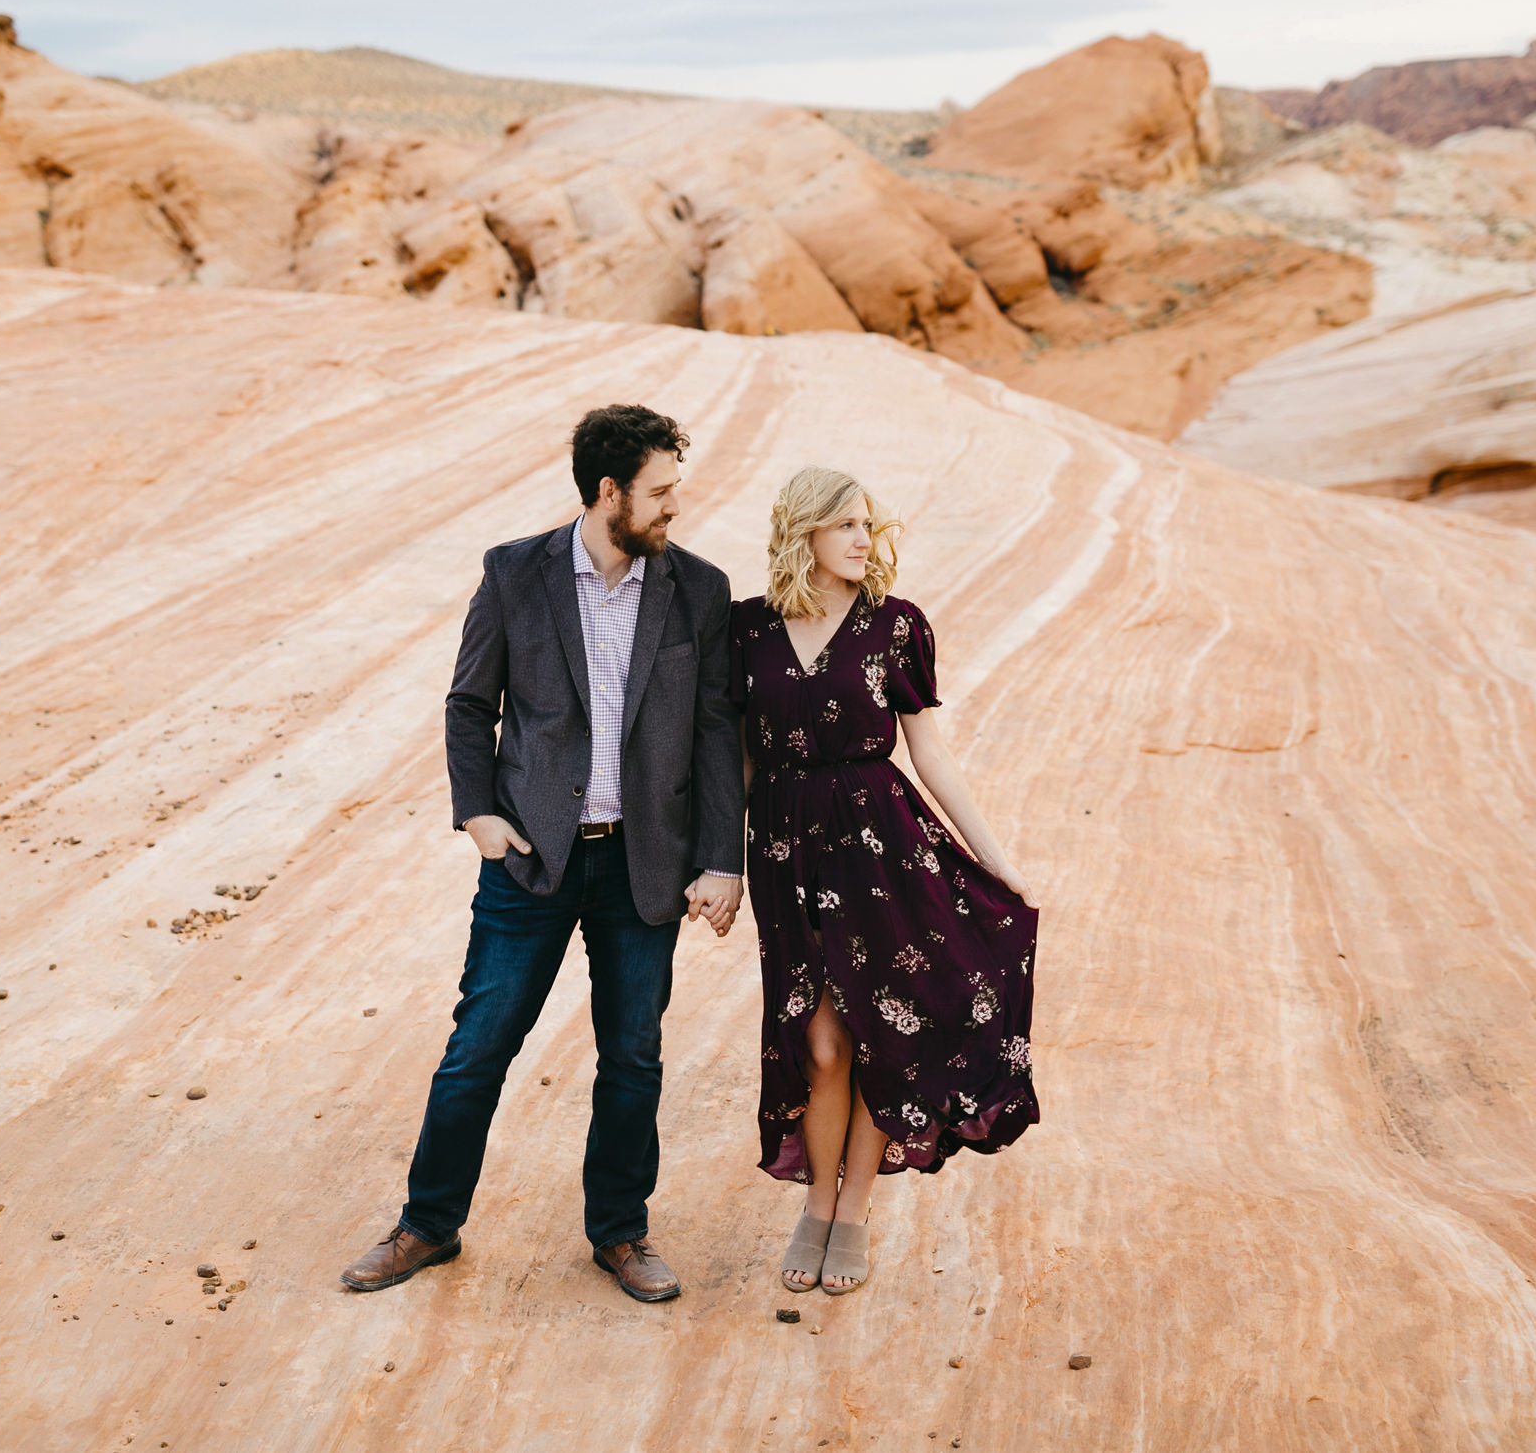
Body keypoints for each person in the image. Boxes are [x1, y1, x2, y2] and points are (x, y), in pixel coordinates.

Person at [340, 404, 744, 1303]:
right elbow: (466, 705)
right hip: (530, 860)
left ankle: (621, 1234)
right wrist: (476, 814)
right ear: (609, 494)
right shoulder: (514, 574)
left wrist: (725, 858)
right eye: (660, 492)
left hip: (645, 865)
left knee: (633, 1055)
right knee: (479, 1044)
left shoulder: (700, 590)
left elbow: (717, 729)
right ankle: (427, 1225)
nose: (675, 507)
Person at [725, 466, 1038, 1296]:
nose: (866, 540)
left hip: (880, 847)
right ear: (805, 535)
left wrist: (997, 859)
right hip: (787, 853)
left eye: (869, 526)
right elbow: (741, 761)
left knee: (876, 1039)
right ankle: (816, 1205)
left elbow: (928, 751)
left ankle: (846, 1213)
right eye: (847, 527)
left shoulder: (894, 626)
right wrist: (720, 859)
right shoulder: (745, 631)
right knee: (820, 1045)